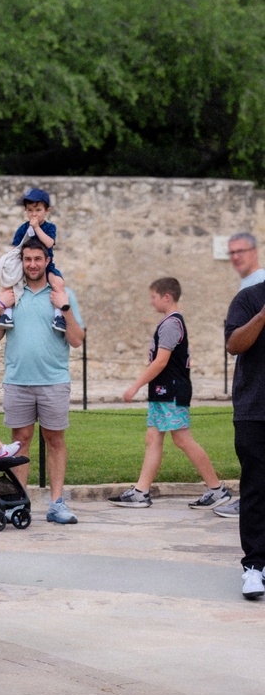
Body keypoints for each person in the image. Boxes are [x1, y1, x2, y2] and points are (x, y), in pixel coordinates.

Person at [0, 237, 85, 525]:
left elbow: (77, 340)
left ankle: (56, 504)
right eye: (27, 259)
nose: (32, 264)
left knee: (55, 440)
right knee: (20, 442)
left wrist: (65, 308)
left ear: (46, 261)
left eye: (37, 259)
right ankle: (19, 504)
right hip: (17, 381)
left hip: (54, 380)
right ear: (22, 262)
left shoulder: (63, 294)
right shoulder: (11, 294)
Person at [109, 278, 232, 510]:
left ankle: (217, 490)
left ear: (167, 297)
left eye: (153, 297)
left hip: (171, 391)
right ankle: (141, 492)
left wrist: (135, 386)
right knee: (153, 438)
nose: (151, 302)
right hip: (162, 392)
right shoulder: (169, 323)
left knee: (182, 439)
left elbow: (161, 361)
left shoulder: (171, 324)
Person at [212, 235, 265, 520]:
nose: (234, 257)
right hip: (254, 394)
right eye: (230, 252)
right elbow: (234, 342)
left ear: (254, 252)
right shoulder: (249, 292)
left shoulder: (257, 280)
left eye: (240, 251)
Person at [223, 270, 265, 598]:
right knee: (255, 489)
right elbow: (234, 344)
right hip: (255, 411)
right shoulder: (249, 299)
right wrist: (263, 315)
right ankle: (254, 566)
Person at [0, 187, 67, 334]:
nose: (33, 214)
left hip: (46, 267)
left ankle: (58, 316)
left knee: (58, 283)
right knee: (7, 286)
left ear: (47, 211)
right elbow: (15, 250)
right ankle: (6, 315)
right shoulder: (22, 229)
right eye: (30, 210)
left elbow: (49, 243)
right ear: (25, 211)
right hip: (24, 266)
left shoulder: (49, 227)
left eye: (38, 210)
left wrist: (36, 228)